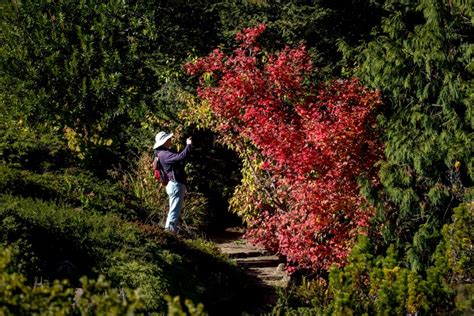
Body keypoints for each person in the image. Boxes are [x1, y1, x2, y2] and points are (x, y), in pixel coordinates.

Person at [153, 131, 192, 233]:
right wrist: (188, 145)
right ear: (164, 142)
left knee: (173, 210)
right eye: (168, 139)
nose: (170, 140)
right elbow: (181, 156)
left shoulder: (161, 154)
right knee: (174, 211)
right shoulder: (165, 154)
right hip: (175, 184)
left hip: (172, 184)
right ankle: (169, 234)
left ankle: (169, 233)